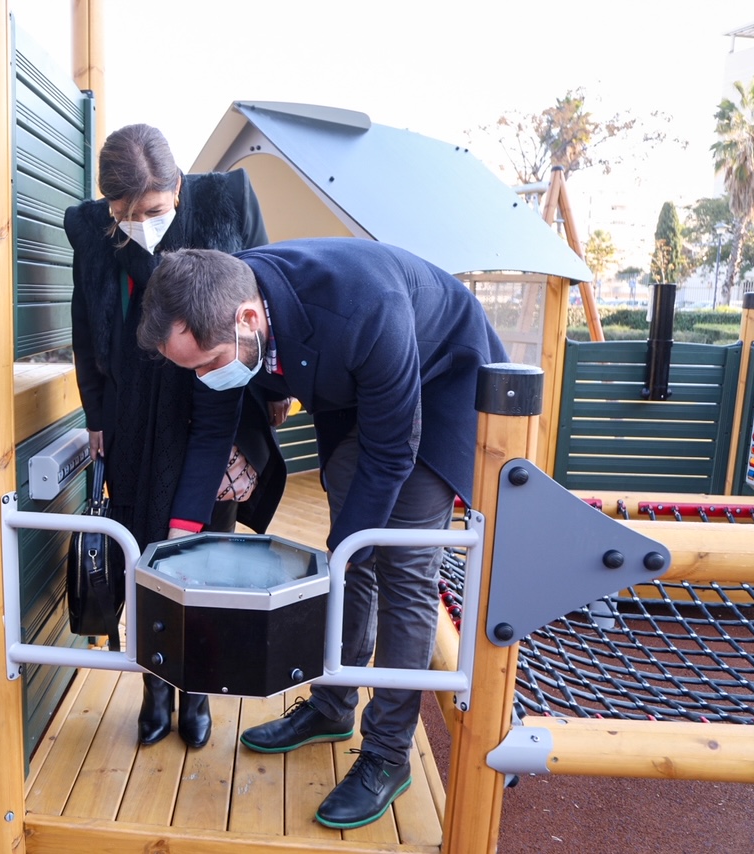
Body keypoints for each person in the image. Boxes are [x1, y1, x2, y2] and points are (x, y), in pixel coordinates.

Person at [136, 238, 508, 829]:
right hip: (356, 394)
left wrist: (346, 553)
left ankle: (387, 753)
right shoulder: (225, 312)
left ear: (249, 319)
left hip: (438, 385)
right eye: (192, 370)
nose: (205, 377)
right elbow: (212, 436)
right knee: (349, 555)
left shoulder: (364, 306)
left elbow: (392, 451)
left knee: (398, 570)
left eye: (207, 363)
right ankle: (334, 704)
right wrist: (173, 544)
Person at [65, 124, 288, 749]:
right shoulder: (90, 232)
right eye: (126, 214)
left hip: (215, 401)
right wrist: (96, 418)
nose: (140, 224)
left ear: (179, 189)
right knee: (143, 554)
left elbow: (263, 306)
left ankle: (199, 692)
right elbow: (87, 332)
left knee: (205, 558)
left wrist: (274, 396)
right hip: (134, 413)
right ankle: (154, 688)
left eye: (154, 211)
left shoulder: (226, 203)